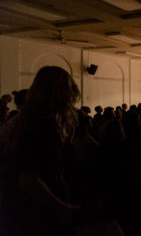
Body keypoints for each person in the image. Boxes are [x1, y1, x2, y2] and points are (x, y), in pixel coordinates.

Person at [0, 66, 80, 236]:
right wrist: (61, 207)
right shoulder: (44, 125)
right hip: (35, 213)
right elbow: (28, 179)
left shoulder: (24, 122)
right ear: (62, 93)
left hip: (19, 210)